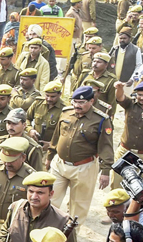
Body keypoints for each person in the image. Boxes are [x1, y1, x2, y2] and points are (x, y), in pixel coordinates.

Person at [47, 85, 114, 223]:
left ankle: (71, 237)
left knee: (78, 207)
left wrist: (106, 171)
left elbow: (106, 147)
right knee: (49, 199)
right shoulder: (66, 112)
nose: (77, 105)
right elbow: (56, 137)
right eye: (75, 101)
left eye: (82, 102)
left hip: (84, 167)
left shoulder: (101, 120)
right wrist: (49, 155)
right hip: (59, 164)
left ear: (91, 101)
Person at [27, 81, 65, 150]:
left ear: (60, 94)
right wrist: (30, 130)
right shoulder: (38, 103)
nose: (49, 99)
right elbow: (27, 118)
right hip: (34, 143)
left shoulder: (64, 109)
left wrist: (51, 144)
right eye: (47, 95)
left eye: (53, 96)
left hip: (51, 148)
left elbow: (65, 133)